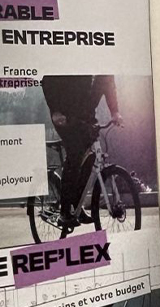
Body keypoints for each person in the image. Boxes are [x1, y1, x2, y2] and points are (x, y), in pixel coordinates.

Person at [40, 75, 122, 227]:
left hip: (86, 116)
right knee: (75, 153)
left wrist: (115, 112)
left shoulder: (101, 67)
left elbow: (108, 83)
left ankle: (77, 203)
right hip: (65, 114)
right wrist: (55, 110)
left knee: (91, 157)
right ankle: (65, 211)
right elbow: (48, 81)